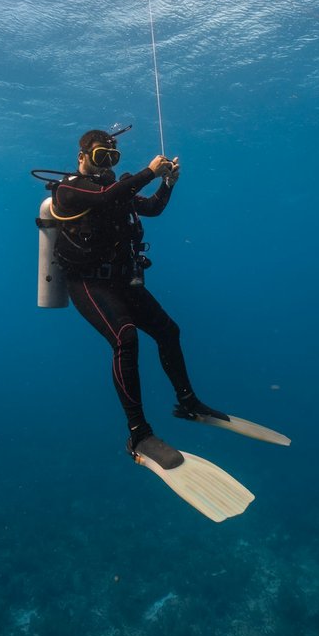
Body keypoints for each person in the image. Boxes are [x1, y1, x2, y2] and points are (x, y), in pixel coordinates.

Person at [51, 127, 227, 469]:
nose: (107, 165)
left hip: (121, 280)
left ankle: (188, 402)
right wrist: (149, 172)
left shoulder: (116, 188)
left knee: (168, 330)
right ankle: (139, 434)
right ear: (82, 157)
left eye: (113, 158)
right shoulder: (68, 189)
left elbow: (151, 208)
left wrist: (167, 184)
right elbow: (103, 199)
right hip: (88, 283)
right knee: (125, 338)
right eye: (102, 156)